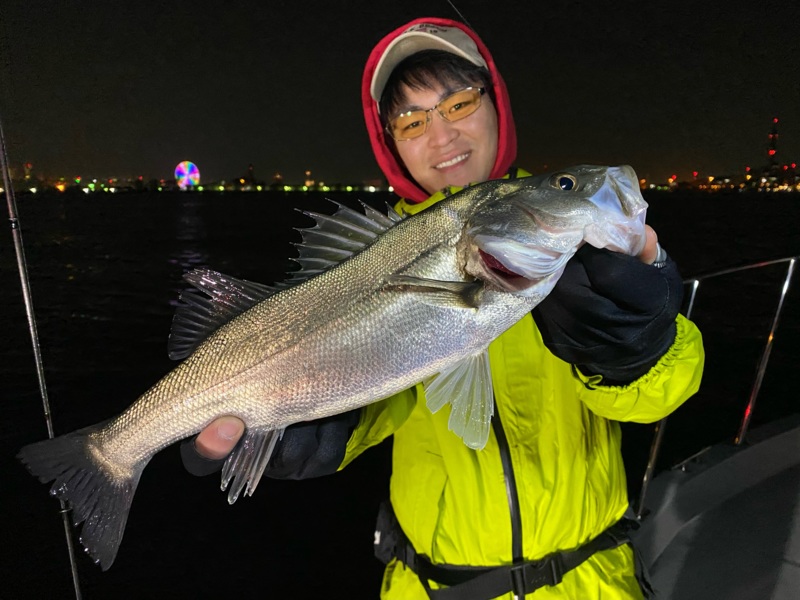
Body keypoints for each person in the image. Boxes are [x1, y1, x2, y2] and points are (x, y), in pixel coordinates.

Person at [182, 17, 704, 599]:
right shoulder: (378, 251)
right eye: (410, 121)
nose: (442, 137)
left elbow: (660, 400)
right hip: (432, 587)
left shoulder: (578, 249)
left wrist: (640, 345)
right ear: (391, 144)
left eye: (458, 103)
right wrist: (327, 422)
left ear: (496, 103)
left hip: (593, 579)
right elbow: (383, 404)